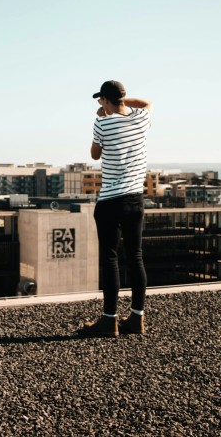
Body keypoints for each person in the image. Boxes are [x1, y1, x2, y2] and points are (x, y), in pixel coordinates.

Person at [79, 80, 152, 337]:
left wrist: (104, 115)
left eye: (102, 100)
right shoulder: (141, 119)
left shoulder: (102, 122)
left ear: (107, 101)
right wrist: (121, 102)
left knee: (110, 259)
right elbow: (146, 104)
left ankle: (109, 321)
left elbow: (95, 155)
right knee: (136, 257)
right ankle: (136, 319)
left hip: (111, 200)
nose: (100, 105)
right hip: (135, 200)